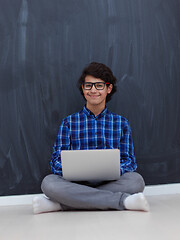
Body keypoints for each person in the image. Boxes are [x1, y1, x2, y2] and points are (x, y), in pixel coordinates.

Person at [33, 62, 149, 214]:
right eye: (88, 85)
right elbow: (56, 162)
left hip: (110, 182)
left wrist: (113, 171)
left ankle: (61, 204)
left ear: (109, 89)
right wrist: (71, 171)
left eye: (99, 85)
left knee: (136, 181)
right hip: (74, 183)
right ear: (83, 88)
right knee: (49, 183)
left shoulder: (121, 123)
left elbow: (130, 162)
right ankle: (123, 201)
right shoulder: (69, 122)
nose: (93, 90)